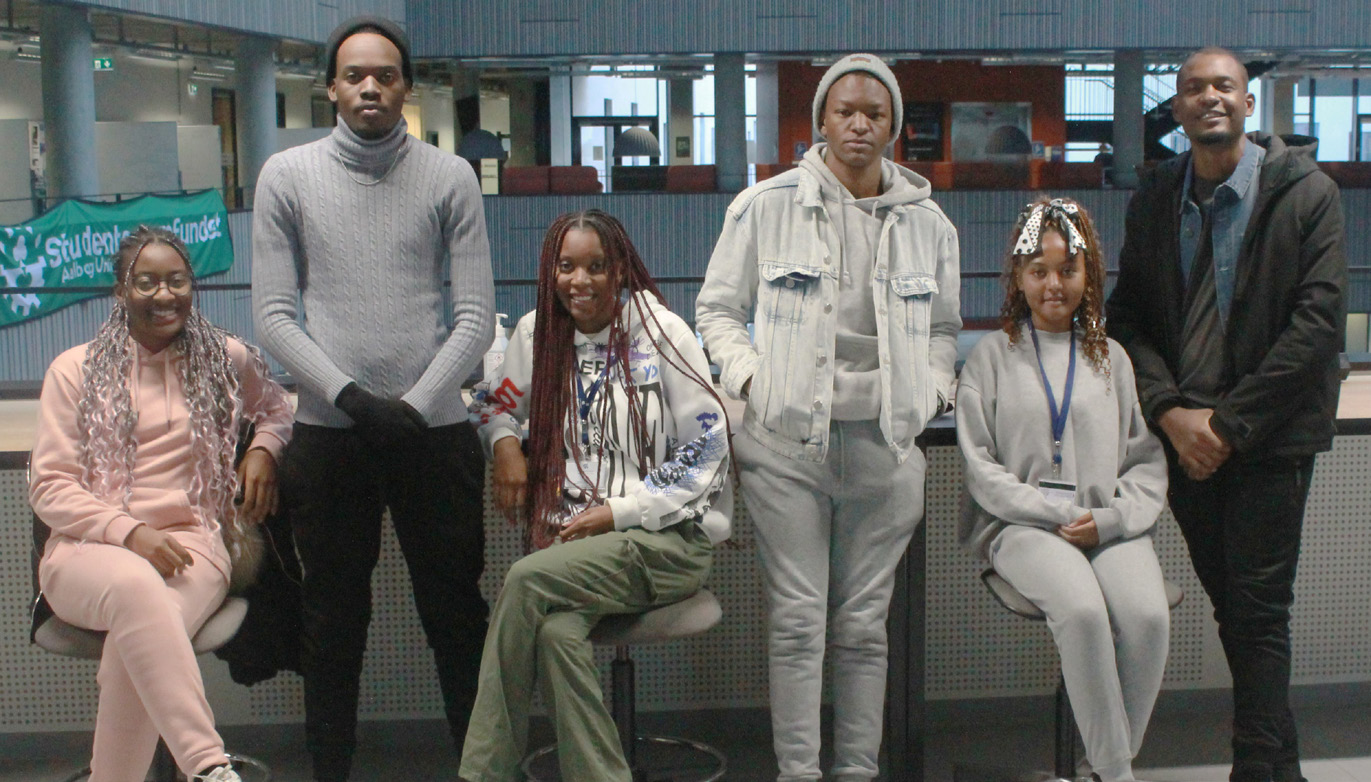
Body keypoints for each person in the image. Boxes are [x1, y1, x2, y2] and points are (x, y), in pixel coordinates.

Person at [696, 53, 961, 782]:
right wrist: (755, 376)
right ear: (820, 119)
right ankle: (797, 774)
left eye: (873, 114)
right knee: (796, 623)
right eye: (844, 110)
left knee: (862, 629)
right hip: (785, 447)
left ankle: (854, 773)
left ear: (893, 128)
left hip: (886, 448)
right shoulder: (765, 205)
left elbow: (944, 329)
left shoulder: (928, 225)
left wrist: (932, 389)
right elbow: (717, 310)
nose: (858, 124)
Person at [251, 15, 496, 781]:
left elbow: (476, 318)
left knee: (457, 616)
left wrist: (413, 408)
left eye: (384, 75)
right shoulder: (285, 177)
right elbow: (273, 317)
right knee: (330, 625)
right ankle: (331, 770)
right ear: (330, 86)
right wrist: (355, 400)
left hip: (436, 434)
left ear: (405, 88)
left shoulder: (449, 177)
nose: (368, 86)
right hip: (329, 437)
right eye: (353, 74)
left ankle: (483, 766)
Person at [1106, 47, 1346, 782]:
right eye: (1192, 89)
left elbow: (1317, 325)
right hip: (1185, 443)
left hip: (1265, 441)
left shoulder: (1306, 193)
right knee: (1240, 615)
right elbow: (1129, 318)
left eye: (1223, 86)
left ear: (1247, 102)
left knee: (1256, 613)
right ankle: (1280, 769)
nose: (1208, 97)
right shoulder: (1153, 196)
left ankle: (1257, 768)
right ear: (1176, 109)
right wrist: (1171, 412)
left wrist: (1227, 426)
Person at [458, 210, 732, 782]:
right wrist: (506, 443)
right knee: (556, 635)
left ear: (620, 269)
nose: (578, 281)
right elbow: (495, 400)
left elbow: (708, 446)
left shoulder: (661, 335)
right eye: (566, 266)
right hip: (573, 547)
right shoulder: (539, 337)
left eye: (595, 267)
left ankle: (483, 775)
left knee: (525, 579)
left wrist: (621, 512)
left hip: (664, 541)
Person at [29, 226, 293, 782]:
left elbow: (276, 408)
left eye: (177, 281)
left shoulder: (225, 359)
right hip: (87, 552)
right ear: (120, 292)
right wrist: (128, 533)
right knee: (136, 590)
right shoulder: (73, 370)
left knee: (139, 641)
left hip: (193, 547)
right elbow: (50, 486)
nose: (165, 294)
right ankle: (207, 766)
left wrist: (263, 450)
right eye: (145, 282)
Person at [958, 197, 1170, 782]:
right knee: (1082, 612)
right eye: (1039, 271)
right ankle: (1115, 773)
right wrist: (1051, 511)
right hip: (1022, 526)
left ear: (1088, 276)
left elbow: (1145, 463)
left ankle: (1099, 764)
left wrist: (1112, 521)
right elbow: (981, 468)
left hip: (1105, 524)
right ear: (1019, 278)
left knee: (1148, 619)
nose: (1054, 284)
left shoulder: (1114, 360)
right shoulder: (990, 360)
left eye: (1068, 270)